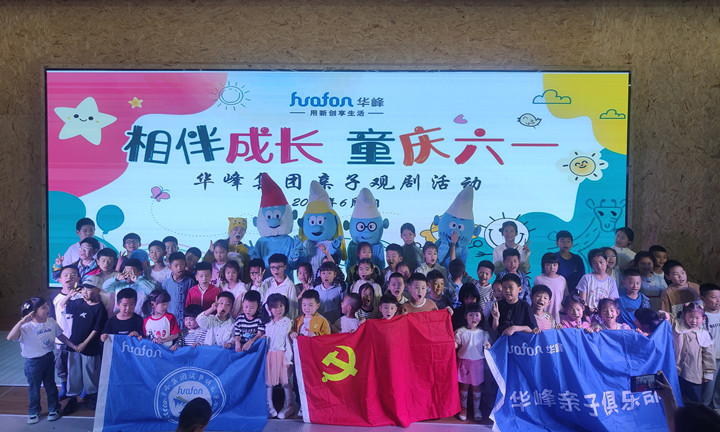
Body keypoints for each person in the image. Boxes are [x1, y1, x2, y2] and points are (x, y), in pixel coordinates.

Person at [8, 297, 76, 424]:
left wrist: (72, 345)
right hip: (32, 363)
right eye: (43, 307)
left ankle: (54, 409)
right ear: (33, 313)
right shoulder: (26, 327)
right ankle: (34, 412)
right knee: (34, 388)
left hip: (48, 358)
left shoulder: (51, 322)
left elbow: (60, 335)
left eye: (47, 305)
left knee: (51, 386)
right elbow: (10, 337)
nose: (47, 308)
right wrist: (22, 321)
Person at [57, 279, 108, 413]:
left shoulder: (100, 308)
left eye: (89, 289)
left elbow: (96, 329)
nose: (85, 292)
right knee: (73, 371)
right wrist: (69, 295)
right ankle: (72, 397)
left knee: (90, 370)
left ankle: (93, 395)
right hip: (74, 344)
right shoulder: (77, 303)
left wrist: (85, 343)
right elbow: (62, 305)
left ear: (98, 290)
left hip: (90, 346)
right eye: (83, 289)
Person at [455, 302, 491, 422]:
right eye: (471, 315)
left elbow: (486, 346)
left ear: (481, 317)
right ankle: (463, 408)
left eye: (477, 315)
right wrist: (452, 344)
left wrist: (488, 345)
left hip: (477, 364)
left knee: (476, 386)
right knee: (464, 386)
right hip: (464, 363)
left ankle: (476, 409)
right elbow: (456, 344)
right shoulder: (460, 332)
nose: (474, 318)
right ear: (466, 316)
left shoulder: (483, 334)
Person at [674, 301, 715, 403]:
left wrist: (708, 373)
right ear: (684, 316)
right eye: (690, 317)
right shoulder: (679, 329)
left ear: (703, 318)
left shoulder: (704, 334)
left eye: (697, 318)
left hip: (694, 373)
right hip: (677, 372)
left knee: (694, 400)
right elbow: (667, 317)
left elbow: (708, 355)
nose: (694, 321)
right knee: (678, 397)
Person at [264, 294, 294, 419]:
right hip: (270, 355)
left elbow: (288, 342)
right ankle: (269, 406)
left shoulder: (287, 322)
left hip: (282, 355)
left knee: (285, 381)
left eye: (281, 306)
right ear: (269, 309)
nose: (279, 309)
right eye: (275, 307)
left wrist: (288, 358)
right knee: (269, 383)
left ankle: (289, 405)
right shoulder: (267, 323)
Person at [52, 265, 79, 400]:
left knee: (76, 365)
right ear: (60, 280)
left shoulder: (81, 295)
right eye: (66, 275)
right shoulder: (55, 297)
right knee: (61, 364)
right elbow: (52, 318)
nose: (69, 277)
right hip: (61, 339)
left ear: (78, 278)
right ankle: (64, 387)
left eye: (73, 274)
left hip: (77, 338)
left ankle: (80, 388)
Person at [576, 248, 619, 313]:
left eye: (601, 262)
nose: (599, 266)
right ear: (591, 265)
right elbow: (582, 300)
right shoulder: (586, 278)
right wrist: (588, 311)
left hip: (605, 314)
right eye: (595, 263)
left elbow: (611, 302)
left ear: (606, 261)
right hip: (589, 313)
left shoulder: (611, 282)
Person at [701, 283, 720, 412]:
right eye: (714, 297)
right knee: (708, 388)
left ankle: (717, 408)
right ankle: (704, 411)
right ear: (702, 298)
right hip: (710, 359)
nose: (718, 300)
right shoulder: (701, 317)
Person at [260, 254, 298, 319]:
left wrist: (291, 321)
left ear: (285, 267)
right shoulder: (267, 282)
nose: (276, 270)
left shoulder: (289, 285)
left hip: (283, 321)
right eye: (273, 267)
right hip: (267, 320)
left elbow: (292, 307)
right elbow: (260, 299)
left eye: (279, 267)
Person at [533, 252, 567, 323]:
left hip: (558, 315)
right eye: (548, 265)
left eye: (554, 265)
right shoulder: (539, 279)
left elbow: (566, 296)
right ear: (543, 265)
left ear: (558, 266)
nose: (552, 268)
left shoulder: (562, 279)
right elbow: (535, 298)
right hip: (543, 314)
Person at [163, 252, 194, 328]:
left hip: (187, 322)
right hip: (171, 322)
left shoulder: (190, 282)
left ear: (185, 265)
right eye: (176, 266)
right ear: (170, 267)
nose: (179, 268)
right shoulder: (166, 284)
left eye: (182, 265)